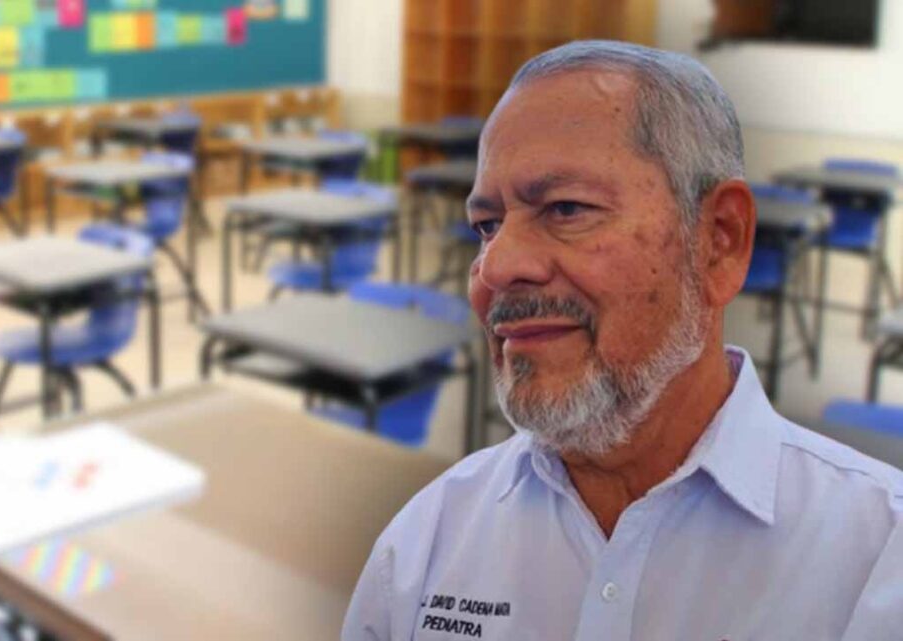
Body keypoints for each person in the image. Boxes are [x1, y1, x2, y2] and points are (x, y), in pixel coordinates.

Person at [342, 40, 903, 640]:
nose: (495, 268)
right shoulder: (426, 542)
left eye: (566, 209)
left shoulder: (877, 561)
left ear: (719, 240)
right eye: (487, 226)